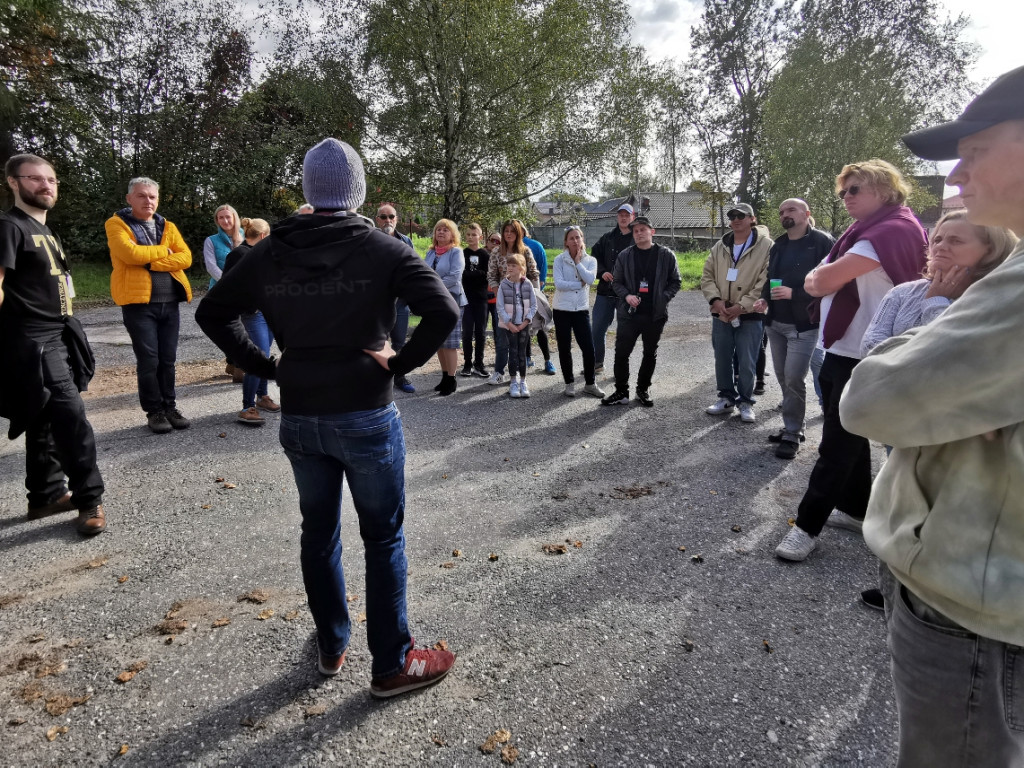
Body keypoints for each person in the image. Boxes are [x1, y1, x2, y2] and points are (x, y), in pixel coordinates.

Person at [196, 137, 458, 697]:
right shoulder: (383, 248)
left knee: (319, 531)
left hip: (302, 414)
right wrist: (399, 362)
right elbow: (445, 310)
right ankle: (391, 665)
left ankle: (332, 643)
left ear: (311, 190)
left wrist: (265, 367)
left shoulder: (268, 250)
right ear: (357, 190)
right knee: (383, 538)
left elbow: (213, 311)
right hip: (365, 411)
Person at [840, 65, 1024, 766]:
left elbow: (870, 398)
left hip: (973, 599)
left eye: (976, 151)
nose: (955, 176)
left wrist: (930, 378)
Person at [855, 209, 1017, 611]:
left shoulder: (993, 299)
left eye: (956, 240)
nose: (941, 246)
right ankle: (895, 580)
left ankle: (933, 596)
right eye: (938, 239)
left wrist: (938, 305)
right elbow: (871, 353)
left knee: (945, 509)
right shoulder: (903, 293)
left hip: (965, 440)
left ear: (990, 249)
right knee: (900, 500)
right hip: (908, 423)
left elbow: (950, 371)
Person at [774, 158, 927, 562]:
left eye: (854, 190)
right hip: (845, 347)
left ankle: (806, 527)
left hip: (870, 354)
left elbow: (819, 280)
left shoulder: (891, 232)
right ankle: (858, 511)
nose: (845, 198)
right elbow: (819, 276)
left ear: (884, 188)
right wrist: (819, 278)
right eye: (842, 192)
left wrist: (819, 278)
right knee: (850, 438)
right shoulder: (864, 232)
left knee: (838, 443)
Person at [0, 153, 105, 535]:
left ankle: (44, 496)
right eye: (35, 179)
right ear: (13, 182)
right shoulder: (8, 227)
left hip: (57, 333)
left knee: (42, 417)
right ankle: (89, 498)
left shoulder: (43, 229)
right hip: (32, 339)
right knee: (70, 416)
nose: (46, 186)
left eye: (52, 180)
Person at [105, 177, 193, 434]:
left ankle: (170, 407)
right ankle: (154, 411)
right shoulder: (116, 224)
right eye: (142, 196)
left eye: (152, 196)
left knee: (168, 360)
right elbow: (129, 254)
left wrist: (151, 260)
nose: (148, 201)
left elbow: (186, 257)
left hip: (170, 304)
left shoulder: (167, 225)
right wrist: (165, 252)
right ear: (129, 199)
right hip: (139, 305)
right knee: (149, 361)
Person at [752, 199, 834, 457]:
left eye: (791, 210)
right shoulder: (779, 245)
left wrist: (795, 294)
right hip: (775, 323)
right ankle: (791, 425)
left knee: (795, 378)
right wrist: (765, 298)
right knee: (783, 377)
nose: (784, 214)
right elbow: (769, 279)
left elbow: (830, 282)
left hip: (804, 325)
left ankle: (792, 432)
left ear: (806, 214)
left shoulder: (822, 242)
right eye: (781, 211)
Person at [701, 202, 771, 423]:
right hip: (721, 313)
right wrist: (716, 300)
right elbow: (707, 276)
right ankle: (726, 397)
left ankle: (745, 401)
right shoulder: (720, 246)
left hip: (749, 315)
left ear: (753, 219)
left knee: (747, 360)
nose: (736, 219)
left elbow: (765, 281)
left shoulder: (767, 246)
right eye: (732, 216)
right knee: (722, 358)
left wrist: (742, 306)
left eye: (741, 215)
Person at [600, 216, 681, 407]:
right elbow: (616, 282)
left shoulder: (666, 255)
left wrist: (663, 297)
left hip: (655, 314)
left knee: (649, 353)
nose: (638, 233)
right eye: (635, 231)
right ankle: (621, 392)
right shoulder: (625, 255)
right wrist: (627, 296)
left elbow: (676, 281)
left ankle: (642, 389)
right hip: (629, 314)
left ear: (652, 232)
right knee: (621, 353)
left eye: (642, 230)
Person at [221, 217, 280, 425]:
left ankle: (262, 395)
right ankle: (248, 406)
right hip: (253, 314)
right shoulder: (238, 254)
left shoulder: (265, 253)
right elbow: (227, 285)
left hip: (269, 312)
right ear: (264, 235)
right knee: (258, 356)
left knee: (265, 355)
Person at [551, 226, 604, 398]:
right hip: (562, 309)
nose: (575, 241)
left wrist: (579, 263)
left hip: (580, 310)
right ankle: (569, 383)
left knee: (588, 349)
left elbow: (590, 279)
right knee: (564, 348)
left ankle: (590, 383)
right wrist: (578, 284)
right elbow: (559, 284)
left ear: (582, 240)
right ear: (566, 242)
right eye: (571, 238)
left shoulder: (591, 261)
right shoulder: (560, 259)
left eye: (578, 237)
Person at [486, 220, 539, 385]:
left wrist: (534, 297)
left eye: (512, 231)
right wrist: (499, 295)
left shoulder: (526, 251)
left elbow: (533, 273)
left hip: (522, 303)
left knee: (520, 340)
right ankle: (499, 371)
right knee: (502, 338)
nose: (508, 234)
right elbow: (491, 276)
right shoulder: (496, 252)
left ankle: (518, 376)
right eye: (506, 231)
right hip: (503, 303)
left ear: (518, 233)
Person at [376, 203, 417, 394]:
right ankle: (379, 380)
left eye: (391, 216)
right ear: (377, 220)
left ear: (396, 219)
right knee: (377, 342)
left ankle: (399, 376)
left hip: (400, 303)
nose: (387, 220)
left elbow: (413, 268)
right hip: (378, 303)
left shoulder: (406, 241)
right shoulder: (370, 240)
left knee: (400, 343)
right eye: (383, 217)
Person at [591, 203, 635, 373]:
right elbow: (594, 257)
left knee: (624, 333)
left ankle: (621, 368)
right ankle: (597, 364)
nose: (623, 218)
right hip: (605, 292)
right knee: (597, 329)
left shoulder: (635, 239)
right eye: (621, 215)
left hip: (626, 294)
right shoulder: (607, 238)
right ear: (617, 217)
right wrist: (601, 272)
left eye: (627, 215)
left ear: (632, 217)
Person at [204, 204, 245, 382]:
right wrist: (229, 283)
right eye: (221, 218)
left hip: (245, 291)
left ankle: (238, 366)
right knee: (226, 330)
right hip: (220, 291)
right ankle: (233, 361)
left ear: (235, 217)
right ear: (217, 221)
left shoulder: (245, 236)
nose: (225, 220)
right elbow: (211, 266)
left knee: (243, 330)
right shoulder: (211, 241)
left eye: (228, 217)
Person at [426, 218, 466, 396]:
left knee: (450, 343)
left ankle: (452, 378)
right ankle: (444, 377)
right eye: (438, 230)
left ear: (452, 235)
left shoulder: (456, 252)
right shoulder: (431, 253)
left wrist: (432, 286)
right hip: (434, 303)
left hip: (452, 302)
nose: (441, 232)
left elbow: (454, 277)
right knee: (439, 343)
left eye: (445, 230)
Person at [496, 254, 536, 398]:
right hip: (510, 325)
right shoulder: (503, 284)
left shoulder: (527, 284)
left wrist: (526, 321)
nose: (510, 268)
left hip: (524, 324)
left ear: (522, 268)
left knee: (522, 353)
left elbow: (533, 305)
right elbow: (500, 307)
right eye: (509, 265)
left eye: (513, 266)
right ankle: (513, 381)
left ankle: (523, 381)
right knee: (512, 352)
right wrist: (509, 323)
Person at [518, 221, 555, 375]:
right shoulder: (534, 245)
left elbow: (539, 269)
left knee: (530, 327)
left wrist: (537, 290)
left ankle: (534, 358)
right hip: (527, 291)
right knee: (532, 327)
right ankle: (540, 359)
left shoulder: (532, 246)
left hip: (532, 291)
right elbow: (543, 271)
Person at [460, 222, 490, 378]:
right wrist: (477, 274)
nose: (471, 237)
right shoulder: (461, 253)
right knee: (466, 333)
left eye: (474, 234)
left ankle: (479, 363)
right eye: (468, 235)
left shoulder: (485, 255)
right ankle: (467, 364)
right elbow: (461, 274)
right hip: (466, 299)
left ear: (480, 236)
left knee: (480, 332)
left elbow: (487, 274)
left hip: (481, 299)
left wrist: (473, 274)